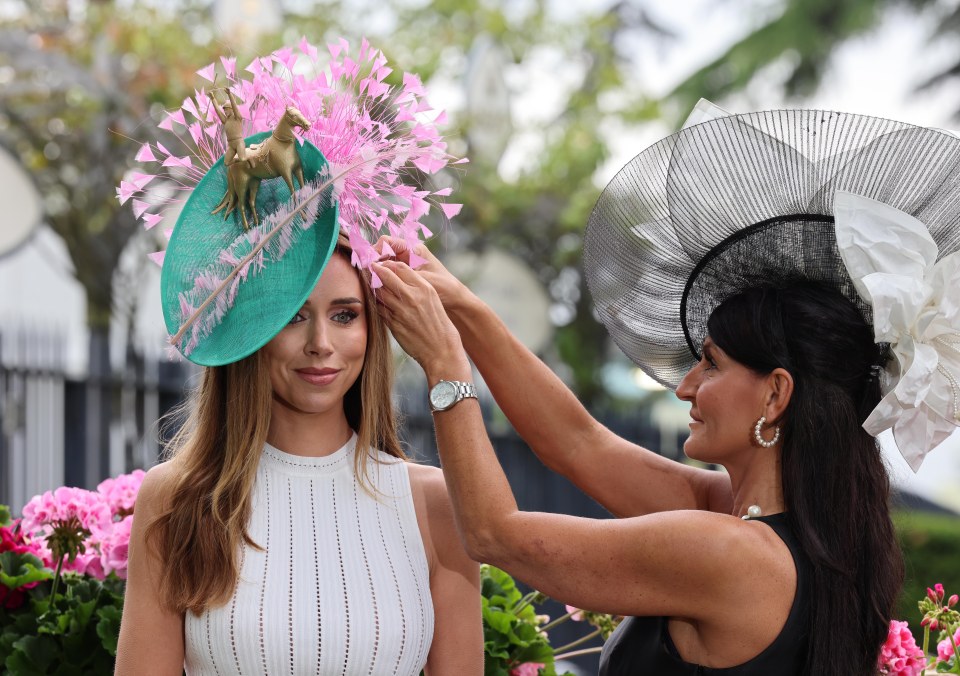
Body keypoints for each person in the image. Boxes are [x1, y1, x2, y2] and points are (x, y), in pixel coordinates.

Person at [371, 105, 960, 675]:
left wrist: (445, 361)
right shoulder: (774, 525)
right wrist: (464, 307)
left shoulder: (731, 553)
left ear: (776, 395)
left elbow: (493, 533)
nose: (684, 388)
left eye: (710, 364)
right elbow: (578, 444)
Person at [114, 41, 482, 675]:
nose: (321, 344)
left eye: (346, 315)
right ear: (254, 329)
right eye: (293, 318)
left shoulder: (437, 504)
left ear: (375, 325)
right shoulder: (176, 501)